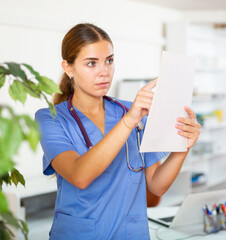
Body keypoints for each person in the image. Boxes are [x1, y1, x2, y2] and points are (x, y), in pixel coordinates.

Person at [35, 23, 201, 240]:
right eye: (91, 63)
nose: (104, 72)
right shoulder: (50, 118)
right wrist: (128, 121)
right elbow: (80, 175)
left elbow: (157, 186)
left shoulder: (133, 112)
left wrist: (183, 147)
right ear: (68, 68)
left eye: (109, 61)